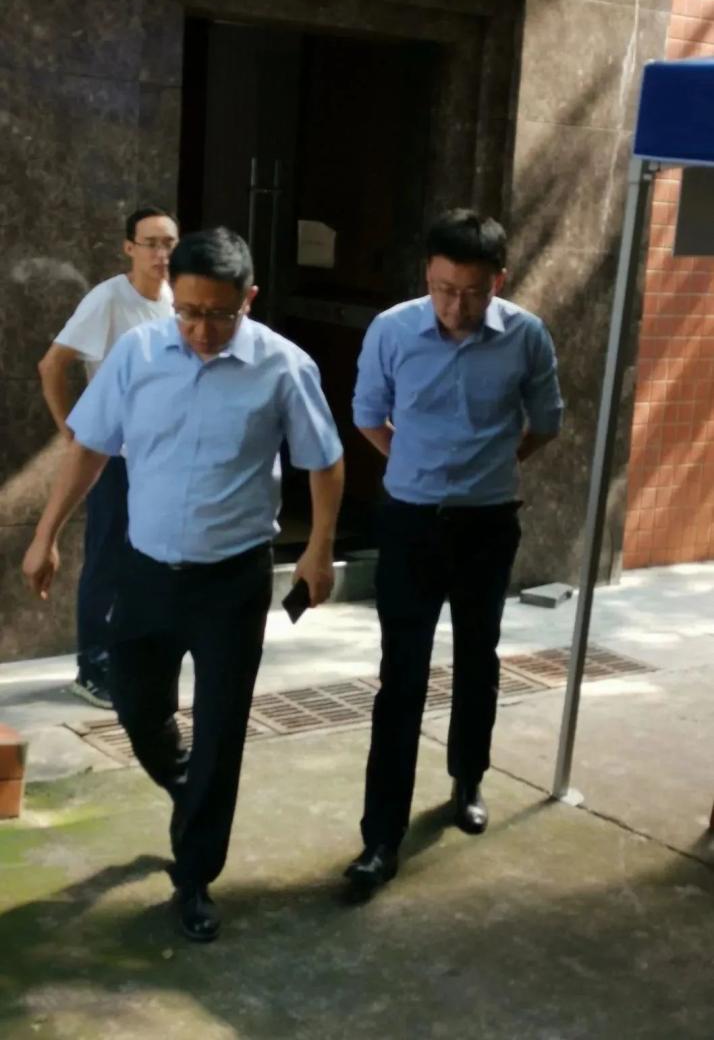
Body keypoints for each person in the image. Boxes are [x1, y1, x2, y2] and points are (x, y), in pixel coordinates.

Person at [23, 227, 344, 941]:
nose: (201, 329)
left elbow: (324, 461)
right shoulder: (137, 355)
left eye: (218, 314)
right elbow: (90, 448)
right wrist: (46, 534)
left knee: (222, 730)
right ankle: (184, 783)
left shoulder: (283, 366)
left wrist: (319, 550)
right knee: (137, 706)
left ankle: (195, 875)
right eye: (189, 311)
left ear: (248, 299)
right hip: (147, 574)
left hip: (232, 580)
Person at [346, 209, 564, 895]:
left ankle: (468, 779)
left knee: (478, 658)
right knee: (401, 677)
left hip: (487, 523)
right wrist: (416, 464)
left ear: (499, 279)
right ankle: (381, 836)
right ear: (427, 276)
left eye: (471, 292)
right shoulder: (392, 330)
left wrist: (491, 466)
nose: (455, 306)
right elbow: (367, 415)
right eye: (443, 289)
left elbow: (546, 421)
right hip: (410, 523)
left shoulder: (526, 336)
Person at [37, 206, 179, 708]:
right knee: (106, 560)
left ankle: (129, 661)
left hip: (160, 456)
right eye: (150, 243)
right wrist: (71, 430)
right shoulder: (109, 299)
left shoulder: (176, 299)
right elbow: (52, 365)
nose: (161, 254)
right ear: (128, 247)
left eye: (168, 243)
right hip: (112, 455)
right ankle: (92, 667)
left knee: (148, 560)